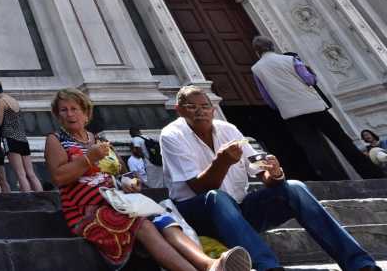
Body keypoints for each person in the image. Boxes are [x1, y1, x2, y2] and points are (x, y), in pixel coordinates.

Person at [160, 85, 380, 271]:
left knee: (294, 187)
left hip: (237, 213)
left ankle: (359, 264)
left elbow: (261, 171)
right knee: (217, 197)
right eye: (191, 107)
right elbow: (199, 187)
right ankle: (268, 267)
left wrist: (274, 173)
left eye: (205, 106)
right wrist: (222, 162)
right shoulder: (172, 135)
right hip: (198, 216)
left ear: (213, 109)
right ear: (179, 110)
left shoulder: (228, 130)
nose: (200, 112)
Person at [46, 88, 251, 271]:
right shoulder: (56, 140)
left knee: (165, 220)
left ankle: (209, 264)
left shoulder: (99, 141)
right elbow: (59, 177)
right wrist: (88, 159)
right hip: (87, 209)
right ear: (57, 115)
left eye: (74, 109)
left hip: (119, 201)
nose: (69, 114)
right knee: (142, 224)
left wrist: (131, 182)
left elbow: (123, 173)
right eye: (63, 110)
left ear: (85, 113)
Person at [249, 36, 382, 181]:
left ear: (257, 51)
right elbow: (309, 80)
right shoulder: (290, 60)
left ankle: (333, 182)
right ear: (272, 46)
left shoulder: (256, 69)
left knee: (313, 150)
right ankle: (372, 175)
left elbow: (267, 98)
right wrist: (310, 73)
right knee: (343, 142)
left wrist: (282, 105)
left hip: (291, 114)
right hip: (314, 107)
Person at [0, 79, 42, 192]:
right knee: (31, 173)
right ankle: (41, 196)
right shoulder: (13, 100)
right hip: (22, 139)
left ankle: (27, 198)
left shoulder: (1, 102)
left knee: (20, 174)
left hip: (10, 138)